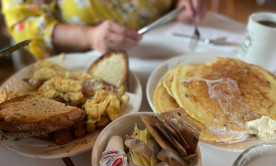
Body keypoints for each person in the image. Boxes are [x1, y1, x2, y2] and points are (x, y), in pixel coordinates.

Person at [1, 0, 206, 59]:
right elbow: (23, 22)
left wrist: (182, 4)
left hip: (161, 54)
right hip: (78, 66)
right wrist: (90, 37)